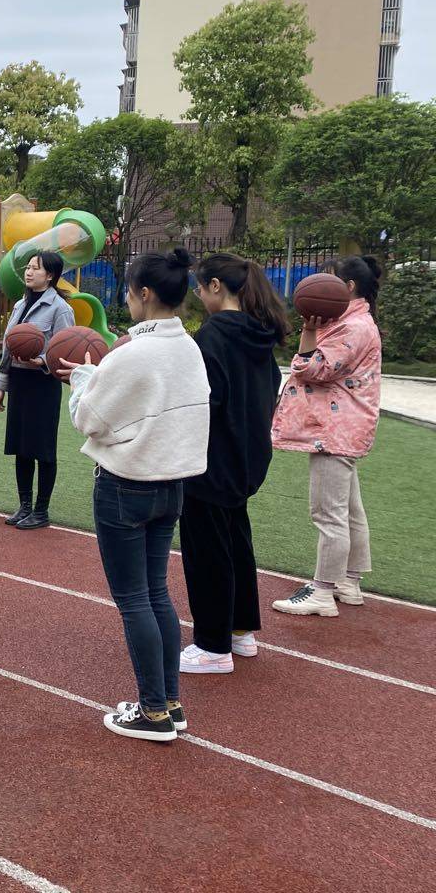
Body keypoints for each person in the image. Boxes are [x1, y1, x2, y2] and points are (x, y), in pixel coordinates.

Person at [61, 249, 209, 742]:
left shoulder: (133, 353)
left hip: (126, 486)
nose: (127, 299)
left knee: (133, 600)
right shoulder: (188, 347)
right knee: (156, 593)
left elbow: (88, 418)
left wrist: (82, 380)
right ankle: (168, 701)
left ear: (144, 294)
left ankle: (151, 712)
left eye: (128, 291)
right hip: (173, 485)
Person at [179, 253, 288, 674]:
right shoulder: (260, 334)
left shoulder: (213, 337)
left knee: (207, 550)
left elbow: (205, 402)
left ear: (216, 287)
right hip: (249, 456)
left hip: (212, 458)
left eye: (200, 288)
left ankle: (212, 644)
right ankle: (240, 632)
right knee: (236, 541)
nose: (199, 295)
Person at [271, 256, 383, 618]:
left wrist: (307, 332)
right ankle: (348, 582)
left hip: (335, 432)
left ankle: (322, 592)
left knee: (328, 513)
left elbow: (312, 368)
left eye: (333, 279)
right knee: (349, 510)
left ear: (348, 287)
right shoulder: (354, 321)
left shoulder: (353, 328)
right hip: (343, 429)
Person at [0, 251, 74, 530]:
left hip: (43, 384)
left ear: (50, 275)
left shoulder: (60, 309)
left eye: (35, 268)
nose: (28, 272)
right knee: (21, 447)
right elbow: (8, 348)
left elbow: (65, 351)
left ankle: (41, 511)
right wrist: (1, 387)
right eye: (27, 267)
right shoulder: (20, 304)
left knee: (43, 448)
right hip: (19, 382)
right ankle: (24, 506)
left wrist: (41, 361)